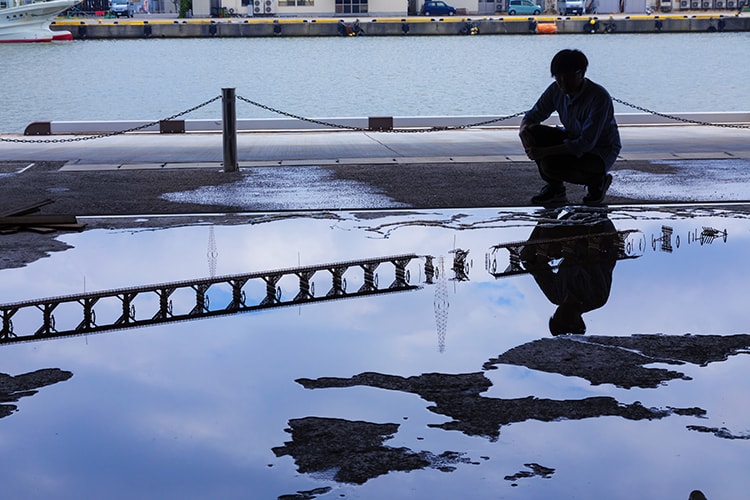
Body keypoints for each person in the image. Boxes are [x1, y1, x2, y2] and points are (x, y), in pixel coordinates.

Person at [519, 49, 621, 206]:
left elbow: (585, 143)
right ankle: (556, 190)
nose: (562, 82)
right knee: (533, 132)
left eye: (567, 77)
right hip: (572, 138)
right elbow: (532, 115)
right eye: (558, 77)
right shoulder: (555, 89)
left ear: (581, 74)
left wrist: (544, 152)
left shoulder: (599, 98)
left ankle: (597, 182)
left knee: (550, 166)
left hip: (599, 152)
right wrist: (523, 132)